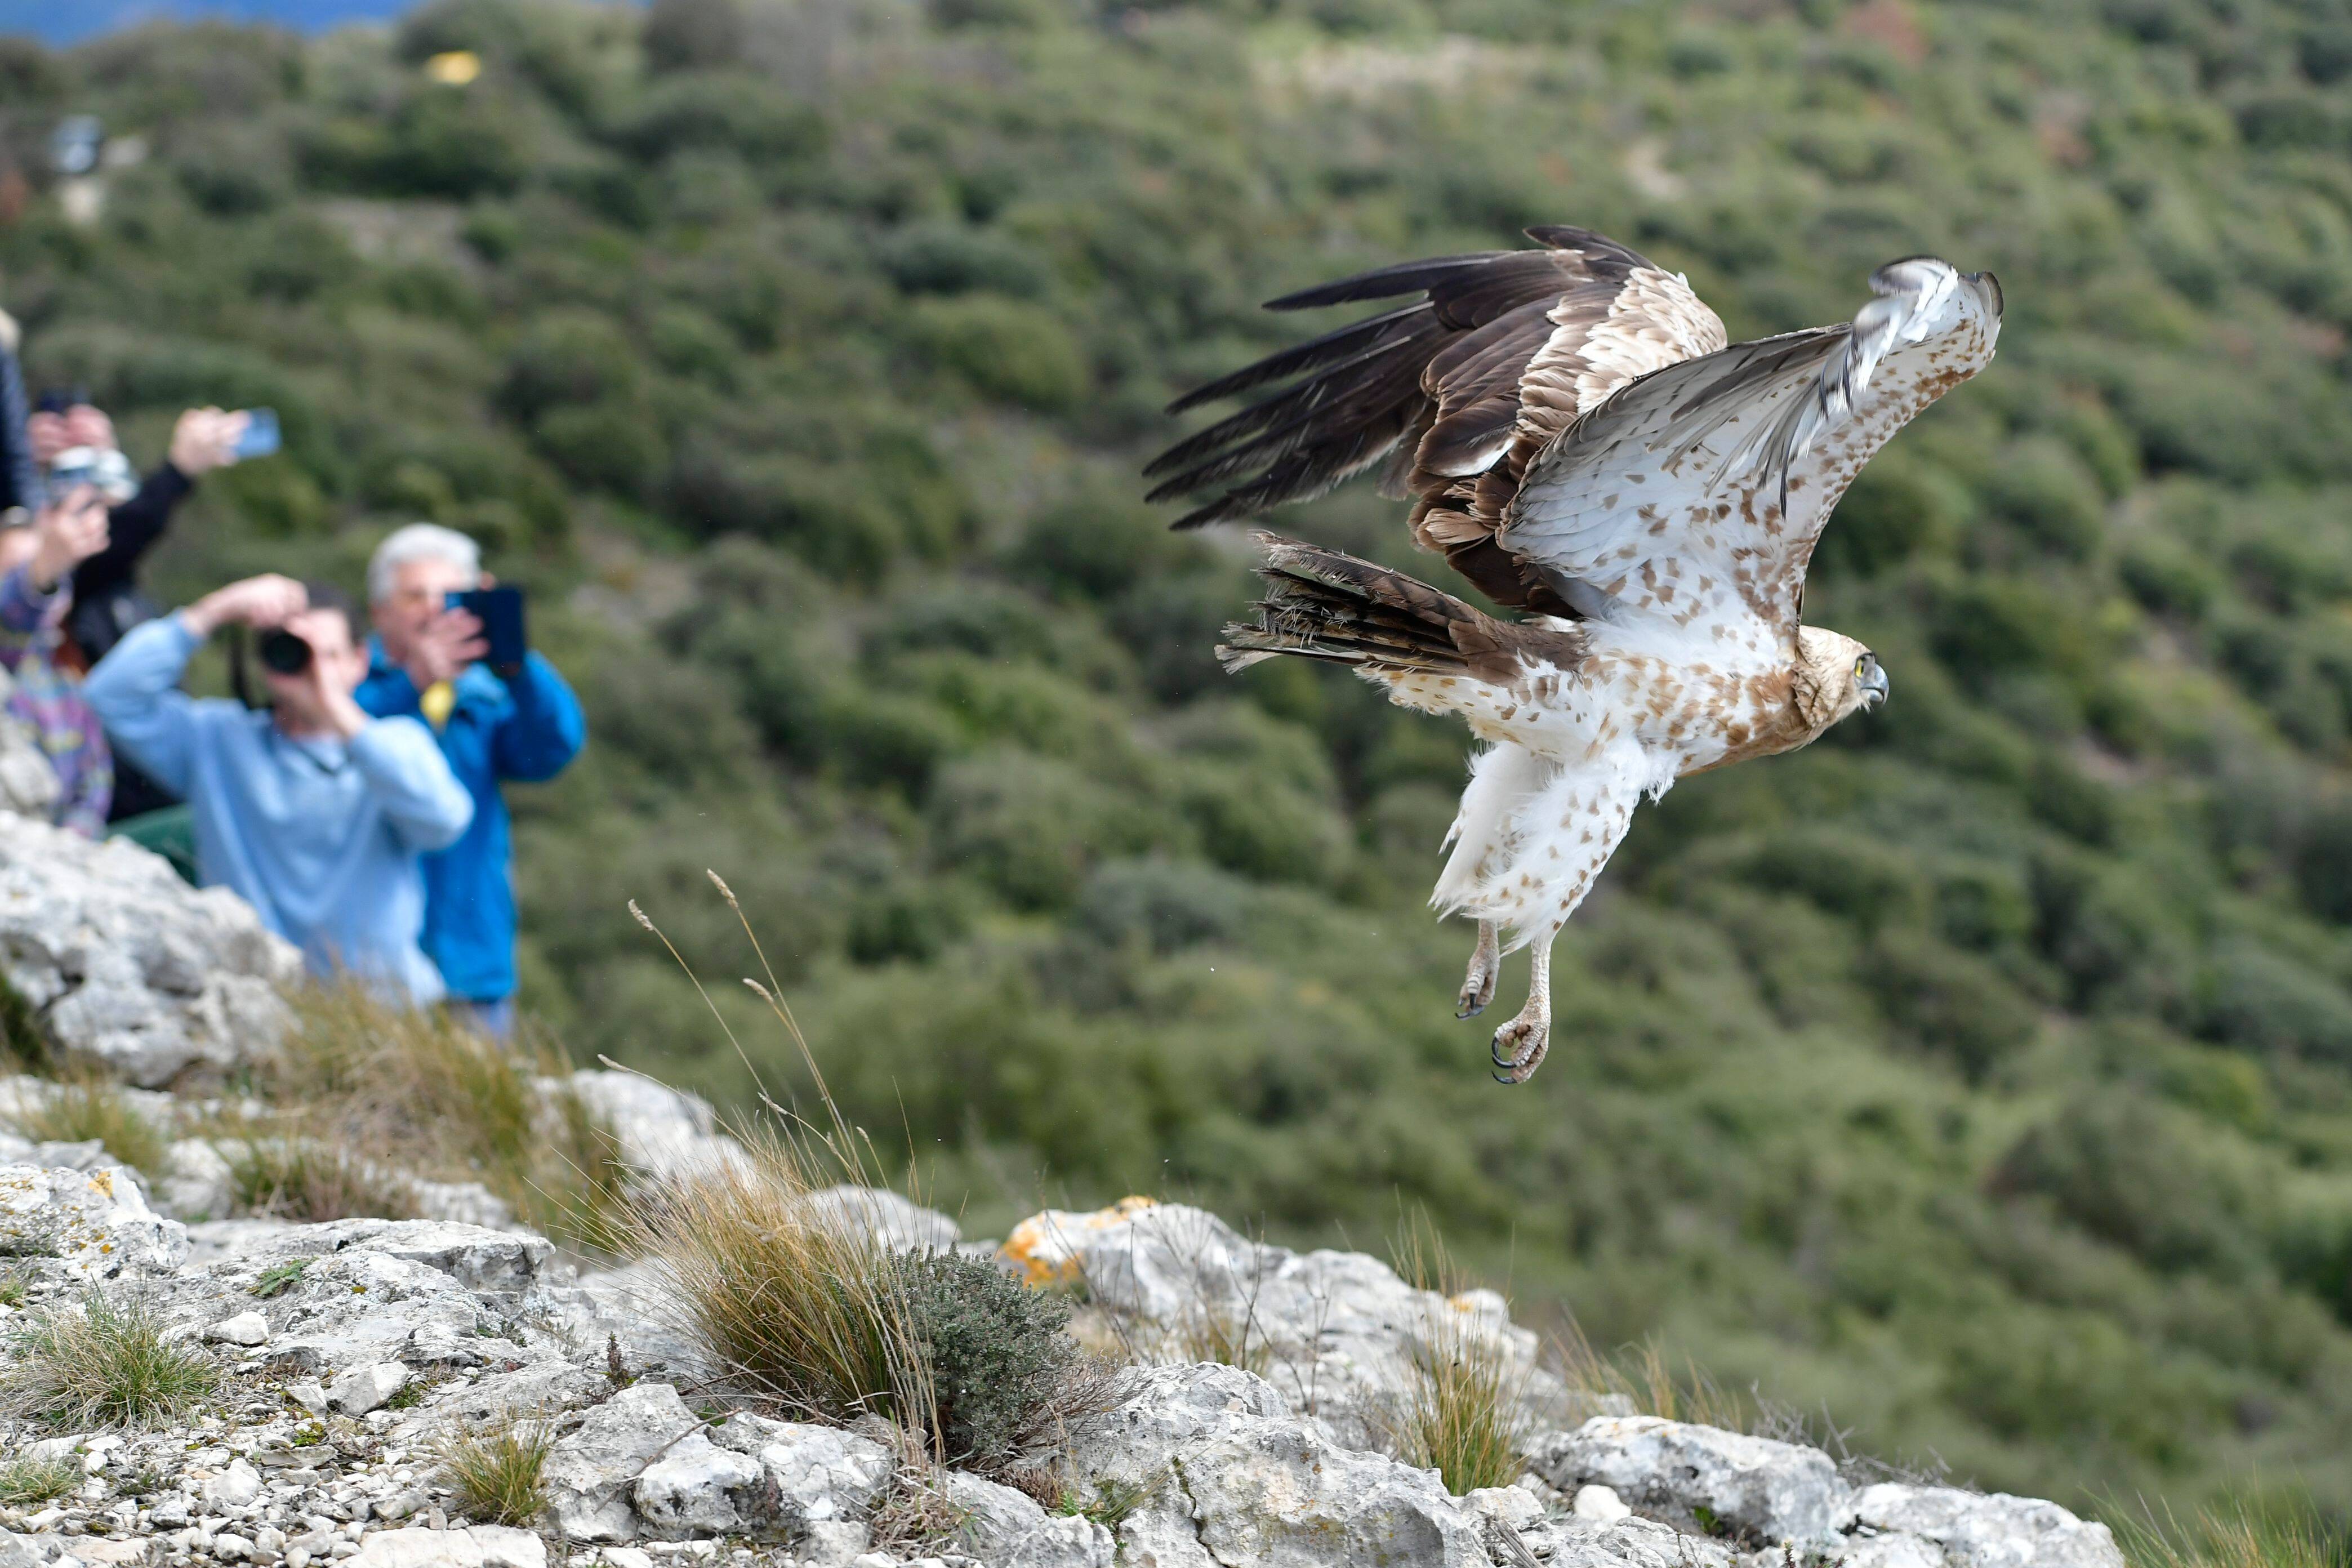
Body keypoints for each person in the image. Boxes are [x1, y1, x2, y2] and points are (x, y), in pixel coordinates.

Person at [83, 573, 474, 1003]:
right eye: (297, 653)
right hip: (258, 1002)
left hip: (384, 1012)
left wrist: (339, 714)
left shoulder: (396, 745)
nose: (312, 669)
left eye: (328, 655)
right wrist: (214, 611)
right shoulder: (217, 740)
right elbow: (108, 697)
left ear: (360, 661)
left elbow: (444, 821)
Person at [356, 524, 586, 1039]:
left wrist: (515, 659)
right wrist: (411, 683)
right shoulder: (342, 679)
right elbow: (331, 747)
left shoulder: (487, 693)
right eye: (415, 595)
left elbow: (553, 748)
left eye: (449, 595)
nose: (433, 609)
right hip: (365, 961)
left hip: (469, 956)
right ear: (380, 612)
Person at [26, 397, 248, 666]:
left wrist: (107, 463)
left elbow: (119, 534)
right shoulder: (37, 568)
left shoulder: (114, 587)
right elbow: (117, 536)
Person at [0, 485, 112, 834]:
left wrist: (66, 846)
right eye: (11, 573)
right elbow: (14, 615)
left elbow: (95, 785)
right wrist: (43, 567)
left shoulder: (69, 684)